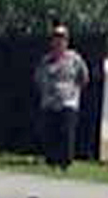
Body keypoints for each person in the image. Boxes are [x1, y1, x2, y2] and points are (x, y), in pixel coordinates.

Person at [34, 23, 90, 170]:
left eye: (62, 38)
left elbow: (84, 78)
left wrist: (72, 91)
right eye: (56, 38)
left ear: (67, 41)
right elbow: (38, 78)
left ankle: (65, 163)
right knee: (50, 133)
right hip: (49, 102)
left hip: (67, 102)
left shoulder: (75, 59)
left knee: (66, 133)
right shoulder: (46, 60)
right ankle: (51, 162)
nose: (59, 41)